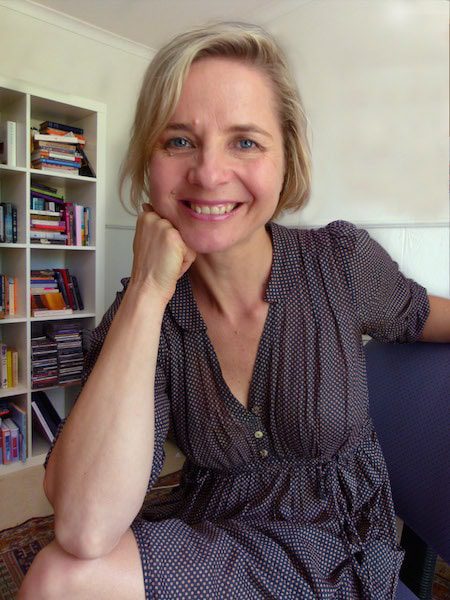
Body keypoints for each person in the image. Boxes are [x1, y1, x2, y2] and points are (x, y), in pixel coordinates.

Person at [19, 21, 450, 600]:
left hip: (337, 548)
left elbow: (418, 314)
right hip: (216, 539)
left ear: (285, 158)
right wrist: (149, 290)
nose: (209, 173)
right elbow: (83, 524)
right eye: (178, 141)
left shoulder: (339, 264)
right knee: (58, 576)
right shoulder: (149, 315)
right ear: (149, 160)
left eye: (244, 141)